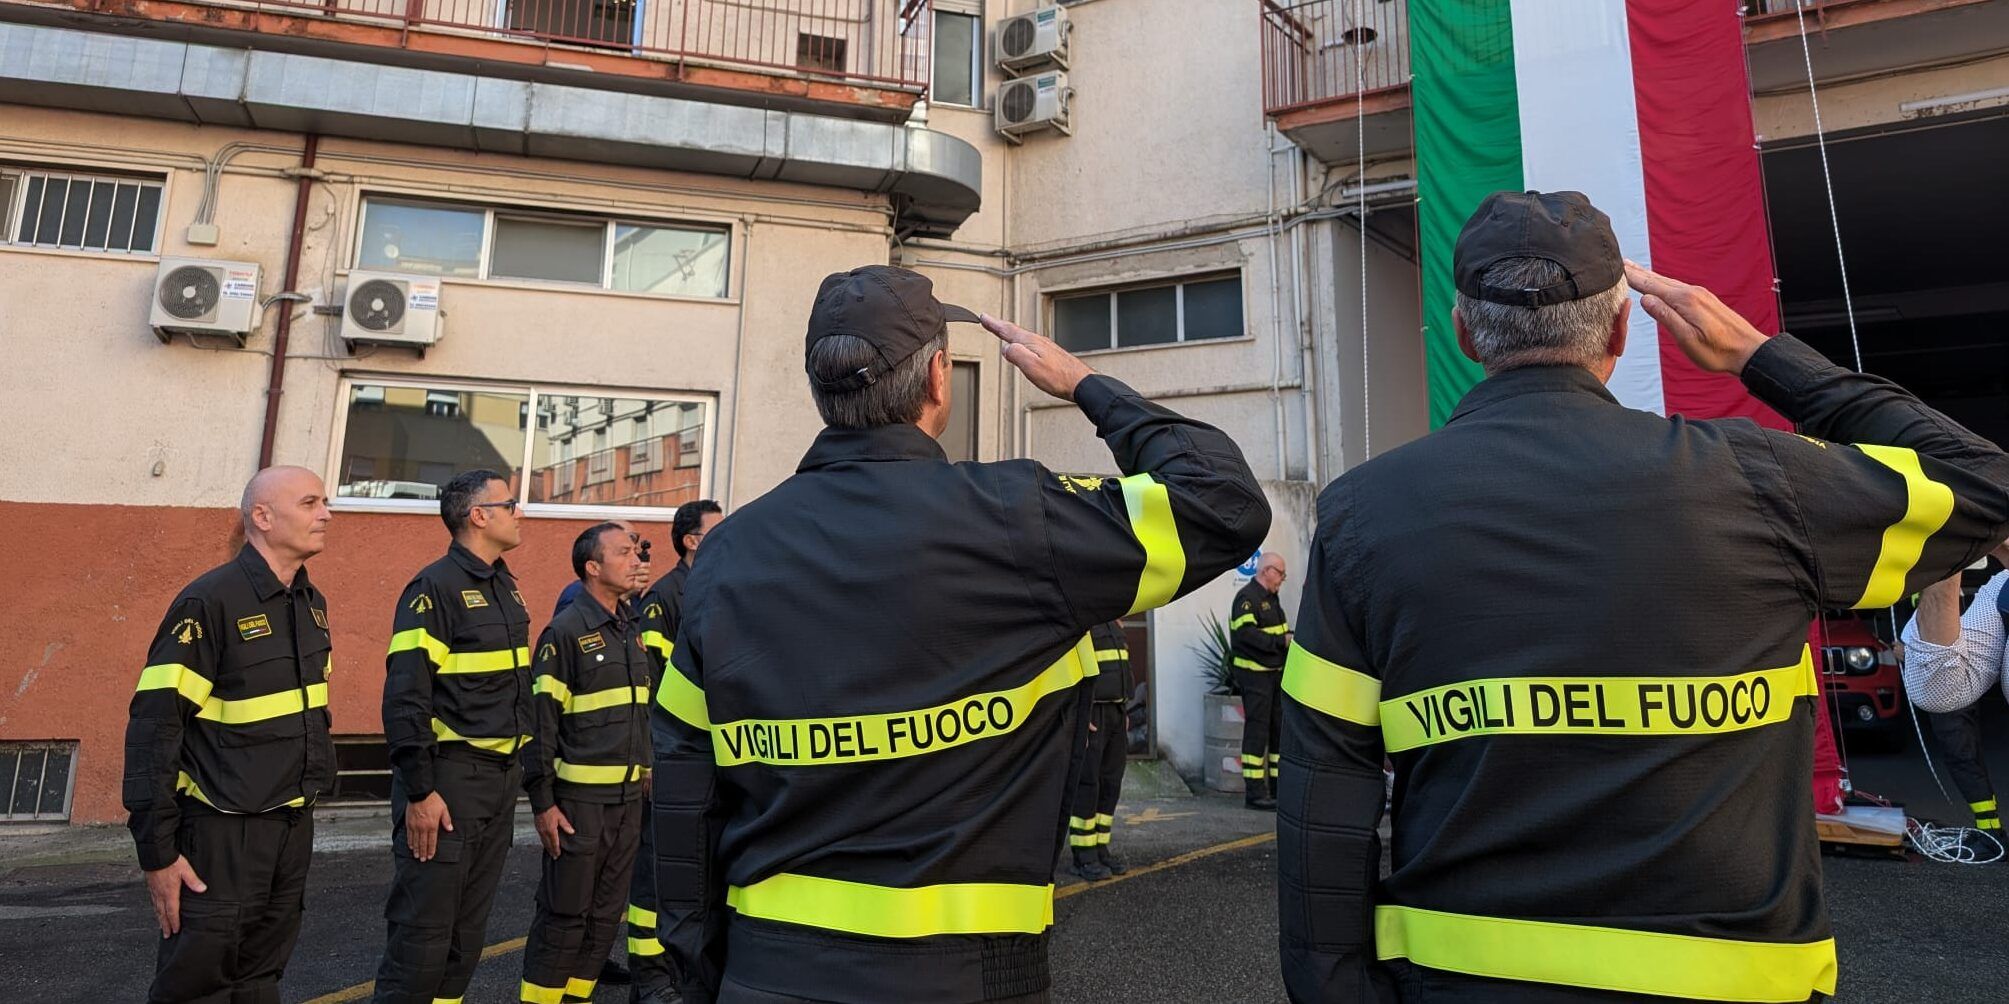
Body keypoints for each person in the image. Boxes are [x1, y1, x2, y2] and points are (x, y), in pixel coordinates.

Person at [1277, 190, 2009, 1003]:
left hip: (1460, 981)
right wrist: (1758, 356)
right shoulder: (1760, 482)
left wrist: (1334, 988)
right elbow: (1986, 481)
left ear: (1461, 335)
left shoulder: (1360, 514)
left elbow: (1325, 789)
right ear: (1622, 332)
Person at [649, 265, 1269, 1003]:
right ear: (939, 377)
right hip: (960, 977)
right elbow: (1223, 502)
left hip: (766, 973)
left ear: (821, 390)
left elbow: (686, 793)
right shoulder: (1015, 519)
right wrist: (1084, 386)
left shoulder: (727, 552)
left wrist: (692, 979)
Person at [124, 466, 335, 1003]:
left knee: (261, 980)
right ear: (262, 517)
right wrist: (157, 852)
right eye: (311, 503)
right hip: (220, 836)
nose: (327, 515)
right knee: (197, 986)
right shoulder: (209, 603)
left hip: (289, 827)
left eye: (325, 503)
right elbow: (154, 730)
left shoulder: (311, 604)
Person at [373, 469, 535, 1003]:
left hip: (497, 781)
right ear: (479, 516)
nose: (521, 513)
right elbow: (405, 698)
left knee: (467, 937)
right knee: (423, 937)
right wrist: (420, 791)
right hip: (449, 784)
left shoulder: (505, 586)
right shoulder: (435, 588)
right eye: (511, 504)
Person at [520, 523, 656, 1003]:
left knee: (603, 917)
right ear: (593, 568)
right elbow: (540, 725)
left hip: (626, 803)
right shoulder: (566, 631)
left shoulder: (631, 627)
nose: (636, 559)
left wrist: (646, 767)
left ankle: (577, 998)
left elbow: (640, 711)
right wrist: (543, 803)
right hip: (578, 806)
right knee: (564, 915)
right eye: (624, 552)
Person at [628, 498, 724, 1003]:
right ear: (691, 540)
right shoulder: (664, 598)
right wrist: (651, 756)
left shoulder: (713, 588)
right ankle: (650, 978)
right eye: (716, 529)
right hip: (671, 753)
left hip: (710, 751)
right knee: (654, 870)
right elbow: (651, 688)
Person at [1902, 538, 2009, 833]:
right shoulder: (2000, 588)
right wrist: (1950, 546)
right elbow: (1939, 691)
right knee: (1950, 723)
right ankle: (1989, 830)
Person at [1068, 620, 1134, 880]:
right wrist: (1079, 717)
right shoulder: (1083, 625)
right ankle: (1083, 856)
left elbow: (1121, 671)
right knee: (1088, 785)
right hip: (1093, 715)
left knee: (1110, 784)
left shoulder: (1114, 624)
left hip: (1116, 712)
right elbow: (1072, 675)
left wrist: (1124, 708)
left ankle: (1100, 848)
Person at [1230, 553, 1289, 810]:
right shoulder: (1247, 599)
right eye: (1281, 574)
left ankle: (1278, 789)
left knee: (1278, 731)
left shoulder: (1272, 600)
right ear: (1267, 571)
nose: (1283, 580)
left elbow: (1281, 633)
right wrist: (1280, 642)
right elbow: (1245, 635)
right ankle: (1255, 793)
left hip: (1275, 675)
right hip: (1255, 677)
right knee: (1257, 732)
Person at [554, 519, 648, 615]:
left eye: (635, 552)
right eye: (624, 553)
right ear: (594, 567)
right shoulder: (575, 594)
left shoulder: (632, 593)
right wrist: (623, 597)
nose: (636, 562)